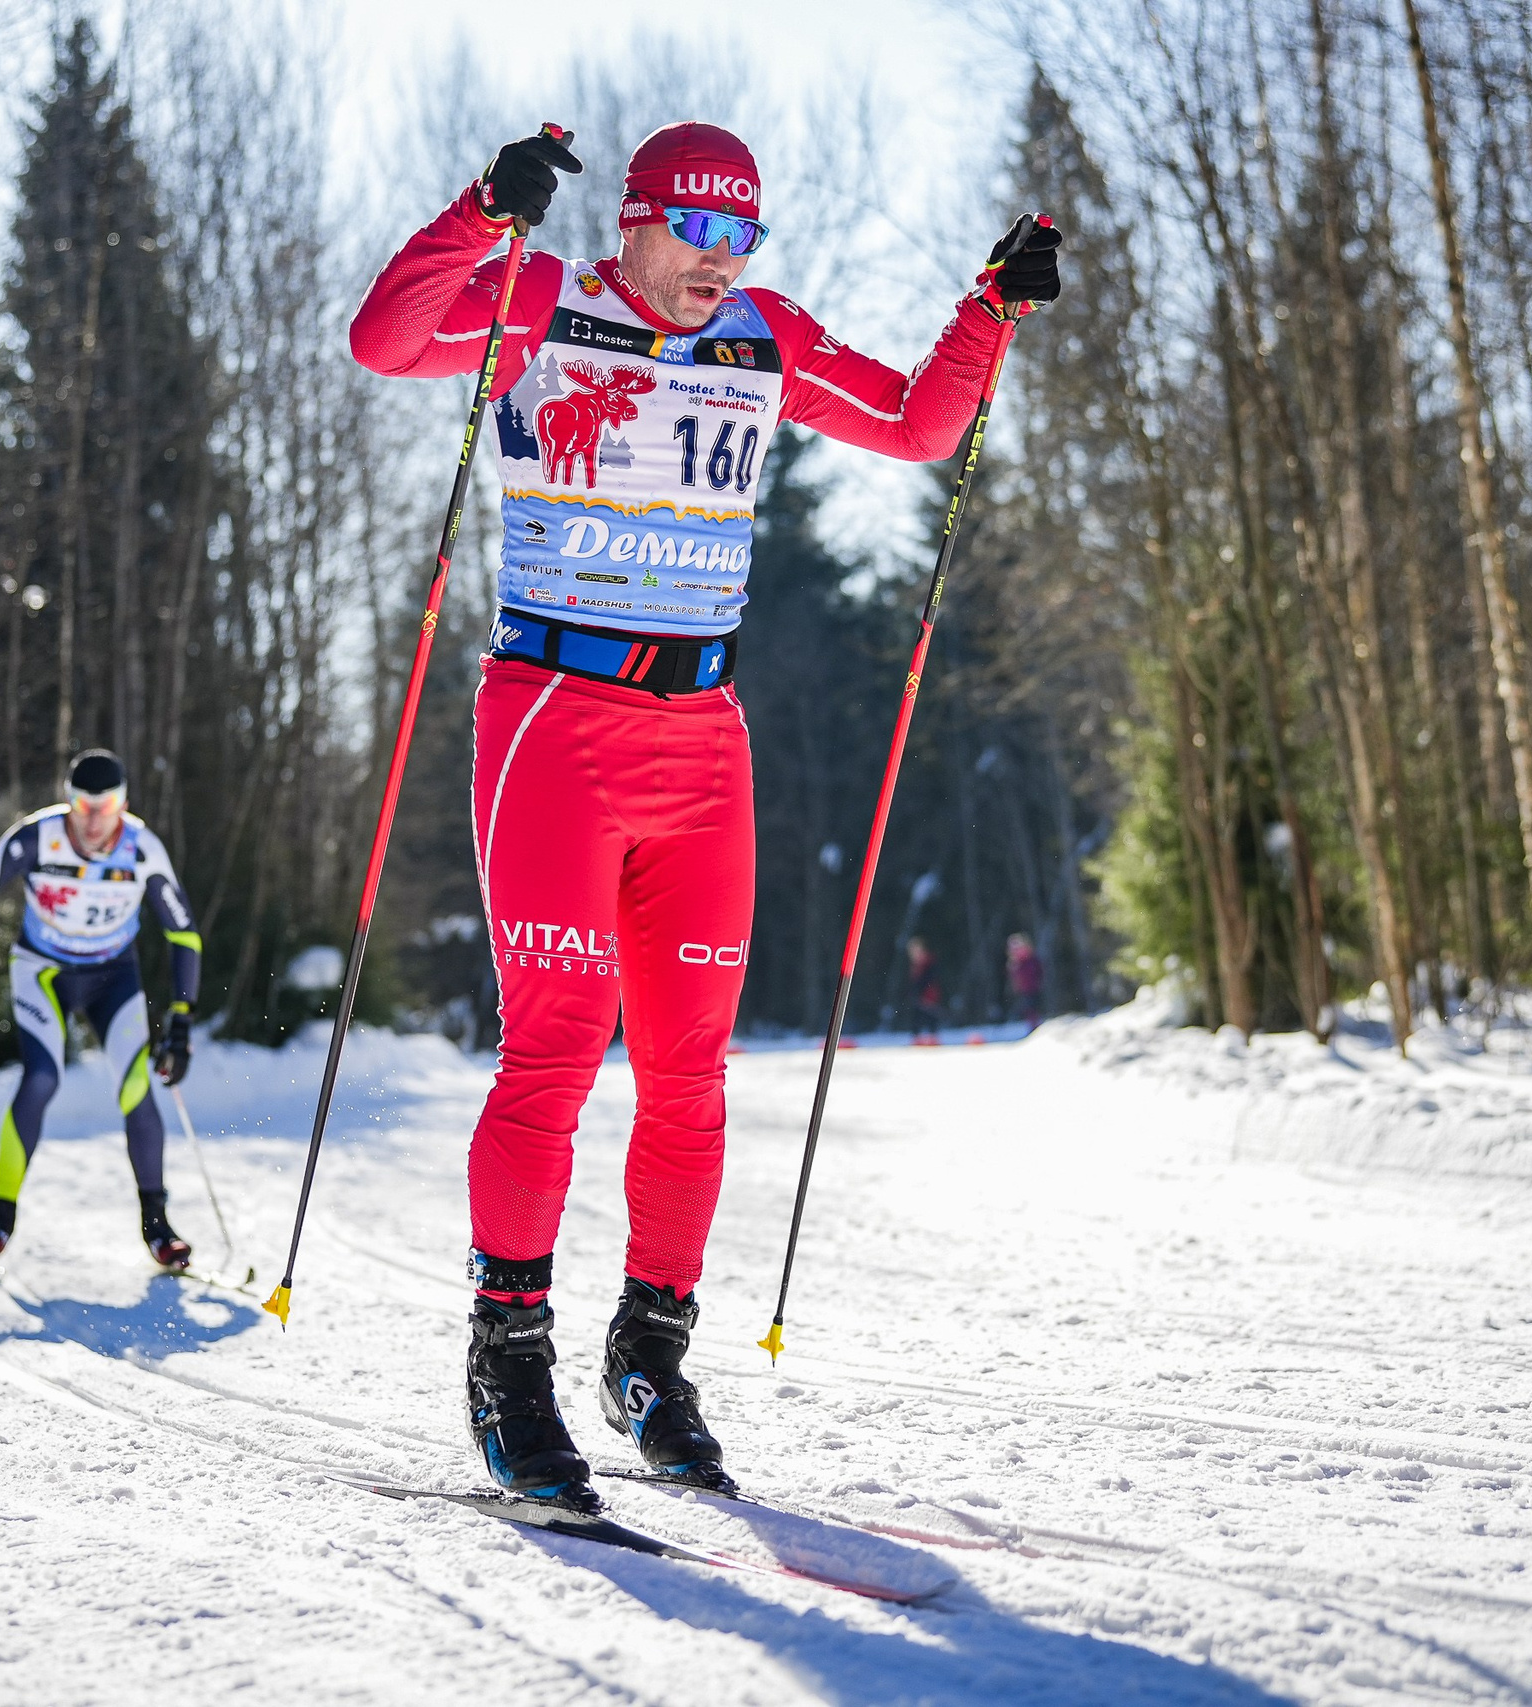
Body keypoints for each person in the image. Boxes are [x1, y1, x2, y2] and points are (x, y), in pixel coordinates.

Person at [350, 121, 1060, 1503]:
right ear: (632, 221)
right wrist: (481, 215)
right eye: (697, 233)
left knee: (691, 1068)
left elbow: (919, 426)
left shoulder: (764, 335)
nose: (717, 264)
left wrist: (989, 310)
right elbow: (388, 339)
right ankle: (508, 1359)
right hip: (555, 719)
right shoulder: (546, 301)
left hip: (704, 744)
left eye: (744, 239)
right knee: (555, 1044)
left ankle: (650, 1355)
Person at [0, 749, 202, 1269]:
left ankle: (158, 1227)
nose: (96, 820)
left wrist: (182, 1017)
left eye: (110, 806)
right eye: (84, 805)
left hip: (112, 976)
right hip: (43, 972)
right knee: (41, 1078)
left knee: (136, 1084)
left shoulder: (142, 849)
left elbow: (183, 932)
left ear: (124, 803)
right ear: (68, 801)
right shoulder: (37, 836)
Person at [905, 937, 945, 1043]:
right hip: (919, 996)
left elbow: (930, 978)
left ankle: (933, 1038)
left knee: (930, 1016)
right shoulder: (915, 964)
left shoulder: (929, 961)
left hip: (929, 994)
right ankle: (917, 1039)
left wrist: (922, 992)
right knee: (917, 1017)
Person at [1006, 932, 1045, 1028]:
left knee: (1032, 1007)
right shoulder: (1015, 963)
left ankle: (1036, 1026)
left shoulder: (1030, 959)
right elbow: (1015, 977)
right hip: (1024, 989)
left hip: (1033, 986)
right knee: (1028, 1009)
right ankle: (1033, 1026)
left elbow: (1038, 971)